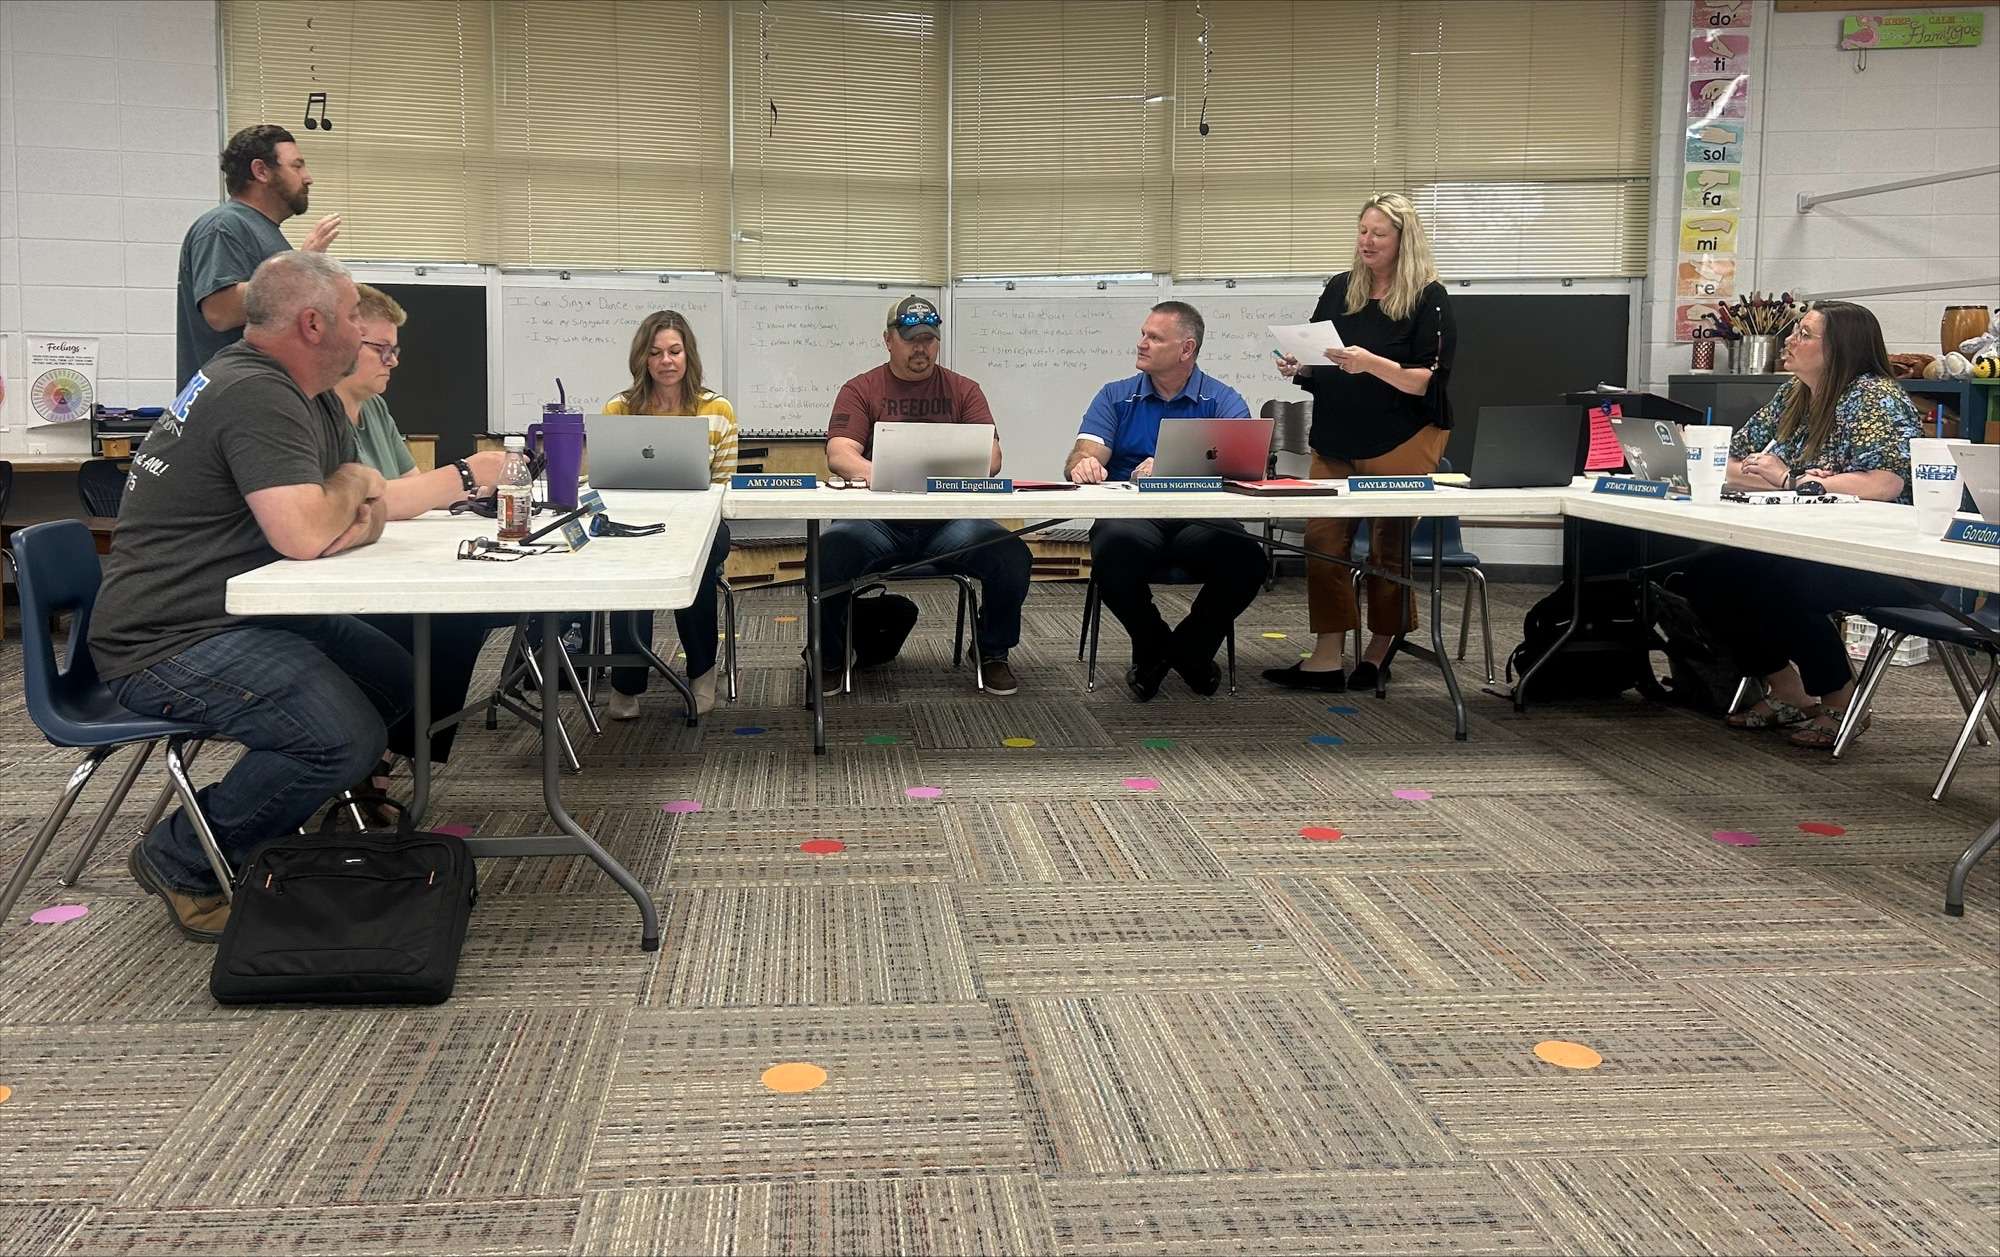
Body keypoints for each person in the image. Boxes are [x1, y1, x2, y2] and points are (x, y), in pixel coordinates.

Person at [92, 251, 411, 943]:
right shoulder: (256, 391)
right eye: (356, 315)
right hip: (169, 638)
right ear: (313, 323)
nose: (364, 331)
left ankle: (300, 802)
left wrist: (345, 505)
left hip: (245, 609)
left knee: (396, 679)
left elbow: (364, 513)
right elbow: (309, 528)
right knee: (343, 736)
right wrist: (347, 492)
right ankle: (179, 856)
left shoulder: (312, 396)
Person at [1681, 301, 1921, 749]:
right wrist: (1773, 474)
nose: (1790, 340)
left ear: (1841, 349)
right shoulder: (1795, 393)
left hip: (1884, 554)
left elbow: (1885, 482)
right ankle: (1789, 691)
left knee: (1785, 584)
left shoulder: (1874, 396)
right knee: (1706, 575)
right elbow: (1732, 460)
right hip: (1811, 541)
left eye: (1805, 334)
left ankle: (1841, 698)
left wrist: (1790, 478)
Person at [1264, 192, 1456, 695]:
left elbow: (1423, 381)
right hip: (1337, 435)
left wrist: (1369, 361)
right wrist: (1299, 365)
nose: (1366, 241)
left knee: (1387, 546)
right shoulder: (1340, 288)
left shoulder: (1429, 299)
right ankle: (1326, 657)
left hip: (1402, 437)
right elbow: (1318, 352)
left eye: (1379, 233)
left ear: (1402, 241)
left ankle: (1379, 646)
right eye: (1362, 230)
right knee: (1323, 540)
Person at [332, 284, 512, 764]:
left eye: (396, 350)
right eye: (381, 349)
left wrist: (469, 490)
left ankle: (395, 751)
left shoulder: (373, 408)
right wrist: (467, 474)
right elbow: (377, 502)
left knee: (463, 616)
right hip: (339, 584)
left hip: (377, 565)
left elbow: (411, 489)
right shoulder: (317, 414)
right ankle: (383, 754)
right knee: (444, 620)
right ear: (342, 339)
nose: (392, 361)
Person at [819, 295, 1029, 697]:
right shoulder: (861, 389)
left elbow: (993, 457)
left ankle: (992, 651)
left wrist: (936, 481)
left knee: (1011, 555)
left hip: (949, 522)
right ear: (888, 340)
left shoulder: (965, 390)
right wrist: (890, 477)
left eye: (930, 340)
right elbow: (839, 454)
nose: (922, 348)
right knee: (827, 555)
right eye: (912, 339)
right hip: (877, 521)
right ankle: (830, 656)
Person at [1066, 302, 1263, 700]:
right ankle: (1153, 643)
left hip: (1200, 517)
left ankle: (1191, 647)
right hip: (1133, 517)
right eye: (1143, 334)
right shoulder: (1115, 397)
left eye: (1154, 338)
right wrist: (1083, 464)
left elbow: (1244, 469)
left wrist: (1175, 470)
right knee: (1112, 550)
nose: (1141, 344)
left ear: (1186, 349)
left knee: (1248, 558)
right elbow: (1085, 452)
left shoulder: (1222, 400)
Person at [599, 309, 737, 718]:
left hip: (701, 522)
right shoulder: (619, 409)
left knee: (698, 560)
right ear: (643, 358)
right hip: (632, 521)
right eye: (656, 352)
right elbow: (603, 481)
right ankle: (626, 683)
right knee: (627, 565)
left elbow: (724, 486)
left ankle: (703, 672)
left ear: (688, 355)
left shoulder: (718, 410)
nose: (666, 361)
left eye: (674, 351)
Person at [176, 124, 342, 388]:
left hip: (264, 394)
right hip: (232, 402)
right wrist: (301, 266)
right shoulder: (224, 225)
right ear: (261, 171)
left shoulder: (267, 233)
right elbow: (221, 311)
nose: (308, 177)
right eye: (297, 166)